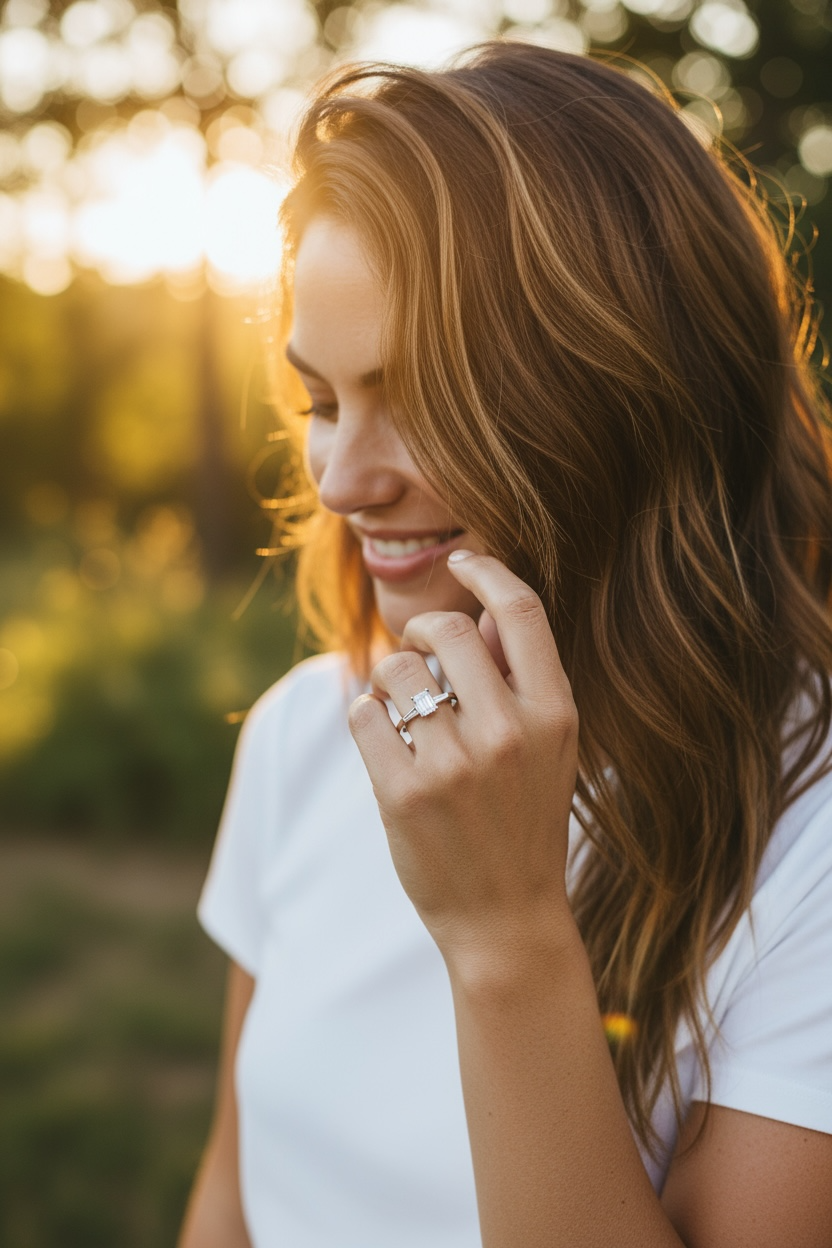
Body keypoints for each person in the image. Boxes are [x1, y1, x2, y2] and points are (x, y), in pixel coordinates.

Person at [178, 42, 832, 1248]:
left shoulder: (809, 850)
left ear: (628, 395)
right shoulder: (306, 733)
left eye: (425, 397)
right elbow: (233, 1194)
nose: (341, 480)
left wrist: (505, 940)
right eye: (321, 401)